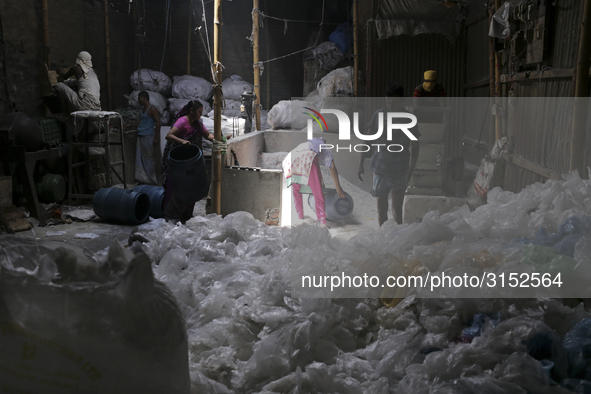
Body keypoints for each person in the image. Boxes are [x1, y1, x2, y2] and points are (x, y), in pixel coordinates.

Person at [357, 84, 420, 226]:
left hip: (400, 168)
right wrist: (360, 163)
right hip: (380, 167)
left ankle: (397, 240)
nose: (391, 105)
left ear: (403, 101)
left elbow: (416, 145)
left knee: (397, 209)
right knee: (381, 209)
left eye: (395, 102)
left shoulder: (409, 119)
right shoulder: (378, 116)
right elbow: (367, 139)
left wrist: (411, 167)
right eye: (388, 102)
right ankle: (383, 238)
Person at [162, 100, 215, 222]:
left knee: (191, 188)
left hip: (191, 162)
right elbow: (169, 135)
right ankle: (171, 215)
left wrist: (217, 139)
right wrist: (182, 141)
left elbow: (206, 134)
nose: (200, 115)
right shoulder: (182, 122)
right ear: (191, 111)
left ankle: (186, 215)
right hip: (180, 162)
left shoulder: (198, 123)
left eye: (202, 112)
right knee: (178, 189)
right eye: (199, 112)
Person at [282, 137, 346, 226]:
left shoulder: (304, 145)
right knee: (318, 194)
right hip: (307, 160)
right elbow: (332, 167)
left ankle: (299, 216)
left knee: (296, 191)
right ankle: (322, 221)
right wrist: (338, 188)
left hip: (290, 160)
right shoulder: (324, 148)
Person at [134, 91, 162, 186]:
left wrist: (156, 138)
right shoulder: (143, 110)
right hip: (141, 135)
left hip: (148, 136)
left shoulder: (152, 109)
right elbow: (142, 122)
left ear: (144, 98)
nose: (138, 100)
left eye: (139, 98)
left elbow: (158, 123)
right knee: (141, 159)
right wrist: (130, 125)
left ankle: (152, 180)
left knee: (149, 159)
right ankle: (144, 179)